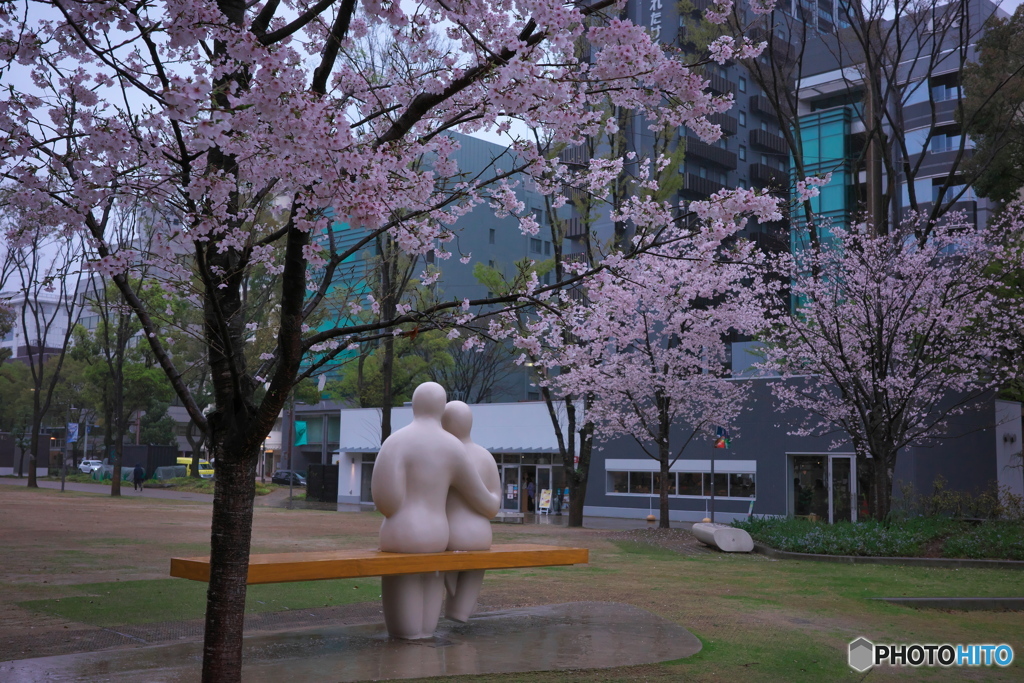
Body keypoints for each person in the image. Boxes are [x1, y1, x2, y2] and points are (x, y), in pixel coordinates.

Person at [371, 382, 499, 639]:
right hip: (437, 531)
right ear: (442, 409)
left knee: (403, 578)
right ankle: (425, 630)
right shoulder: (453, 447)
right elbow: (480, 496)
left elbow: (386, 501)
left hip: (401, 529)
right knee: (432, 575)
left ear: (414, 405)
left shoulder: (396, 442)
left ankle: (406, 632)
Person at [441, 400, 501, 622]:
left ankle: (456, 608)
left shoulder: (440, 455)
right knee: (471, 575)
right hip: (478, 533)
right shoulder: (484, 456)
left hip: (443, 533)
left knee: (441, 572)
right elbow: (493, 506)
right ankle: (459, 610)